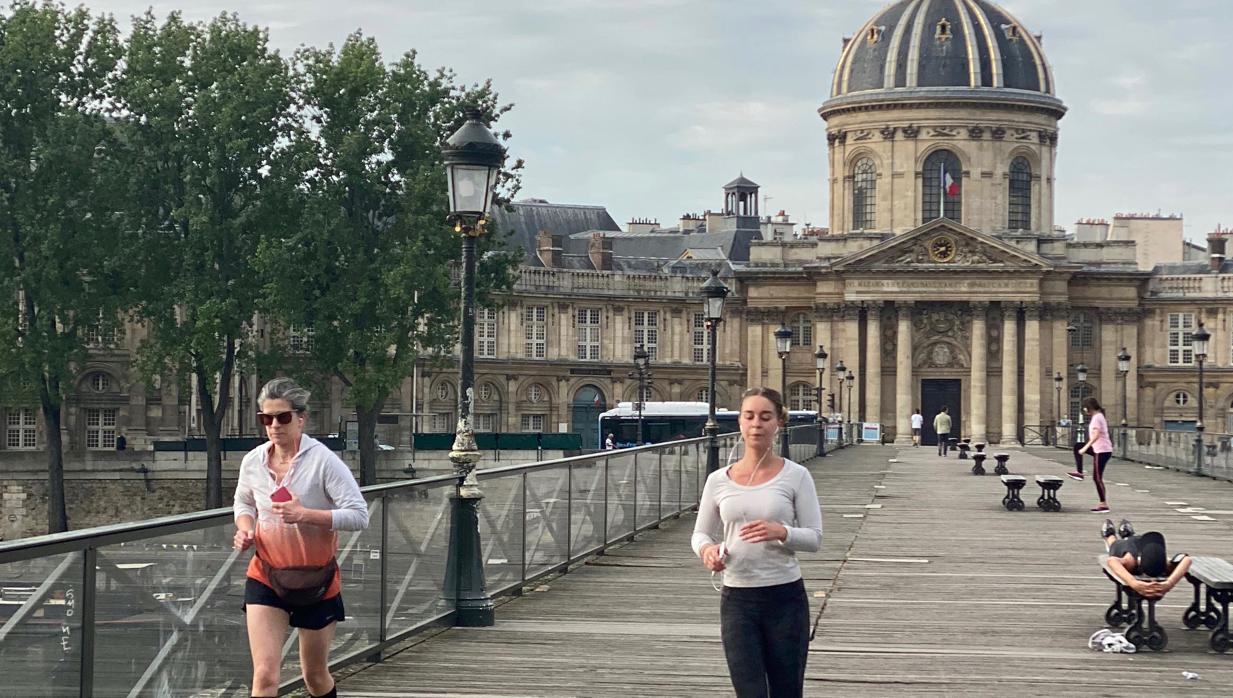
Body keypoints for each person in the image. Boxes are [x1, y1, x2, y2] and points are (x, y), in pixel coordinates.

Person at [233, 377, 369, 698]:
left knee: (315, 676)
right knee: (265, 675)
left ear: (301, 418)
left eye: (282, 417)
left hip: (316, 581)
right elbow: (244, 502)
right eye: (266, 419)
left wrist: (305, 514)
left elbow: (358, 514)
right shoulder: (253, 461)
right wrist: (245, 528)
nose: (274, 426)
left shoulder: (323, 462)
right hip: (267, 575)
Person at [692, 387, 822, 698]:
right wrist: (708, 551)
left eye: (765, 417)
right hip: (737, 598)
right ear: (739, 422)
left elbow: (815, 537)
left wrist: (782, 532)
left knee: (786, 691)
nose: (756, 424)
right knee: (748, 691)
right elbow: (700, 534)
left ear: (779, 423)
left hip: (785, 598)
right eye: (749, 416)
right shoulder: (718, 480)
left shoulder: (797, 476)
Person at [1101, 519, 1191, 599]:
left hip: (1145, 542)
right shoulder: (1131, 561)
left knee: (1132, 539)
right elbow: (1112, 561)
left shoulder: (1165, 564)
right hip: (1125, 548)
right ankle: (1109, 536)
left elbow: (1187, 559)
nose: (1153, 580)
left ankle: (1127, 534)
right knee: (1114, 543)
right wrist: (1134, 583)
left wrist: (1169, 584)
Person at [1076, 396, 1114, 512]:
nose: (1084, 411)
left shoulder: (1097, 418)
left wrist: (1085, 448)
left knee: (1097, 477)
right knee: (1077, 446)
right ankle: (1079, 472)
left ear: (1088, 408)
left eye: (1084, 408)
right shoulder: (1098, 416)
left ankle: (1103, 504)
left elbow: (1096, 436)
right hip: (1100, 449)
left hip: (1102, 450)